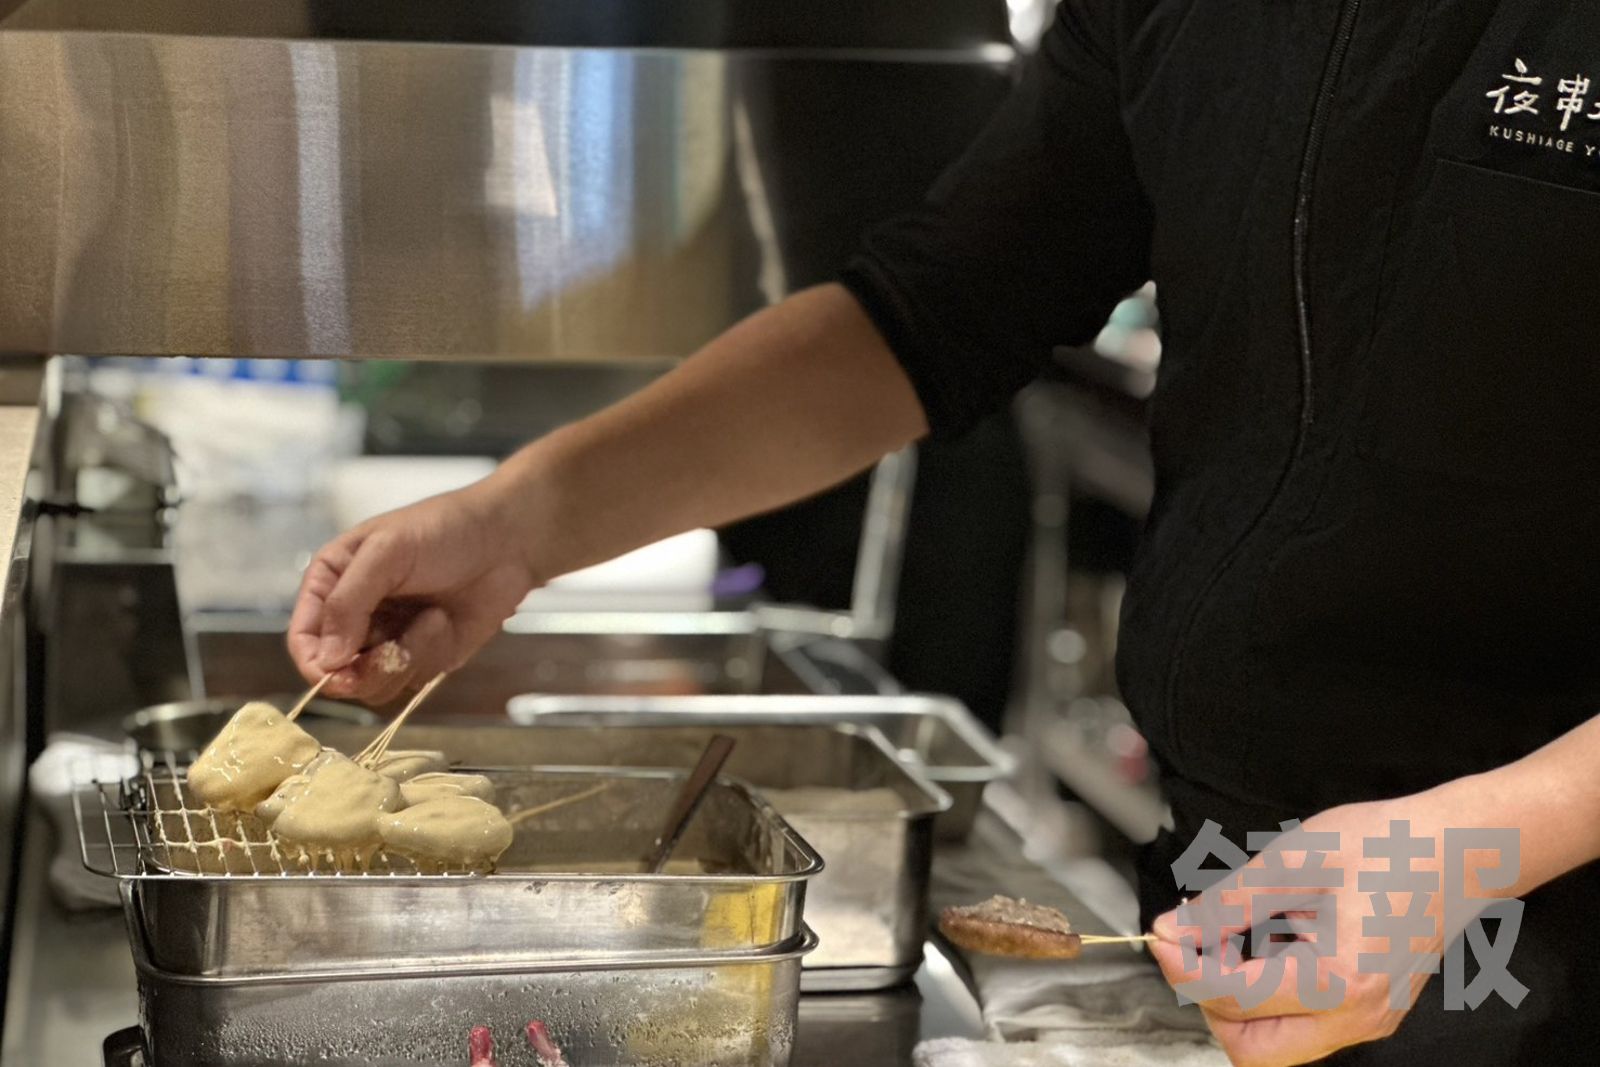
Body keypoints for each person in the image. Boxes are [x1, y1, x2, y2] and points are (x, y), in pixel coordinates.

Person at [289, 3, 1600, 1064]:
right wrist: (518, 523)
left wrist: (1477, 841)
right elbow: (933, 312)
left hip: (1542, 906)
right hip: (1250, 891)